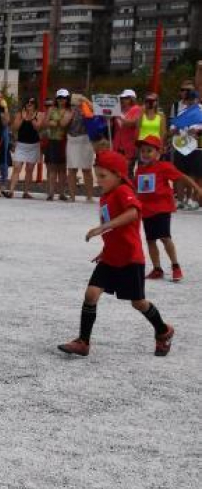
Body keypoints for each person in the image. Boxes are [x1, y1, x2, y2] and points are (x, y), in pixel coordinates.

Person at [58, 150, 174, 358]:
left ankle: (163, 331)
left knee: (138, 303)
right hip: (111, 257)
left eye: (103, 176)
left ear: (119, 175)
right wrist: (104, 250)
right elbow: (114, 231)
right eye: (97, 175)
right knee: (91, 294)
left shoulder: (122, 191)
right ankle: (83, 342)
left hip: (130, 258)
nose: (99, 180)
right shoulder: (106, 196)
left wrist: (102, 228)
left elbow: (133, 213)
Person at [134, 135, 202, 283]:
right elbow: (137, 189)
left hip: (162, 209)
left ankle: (175, 266)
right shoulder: (139, 170)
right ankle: (157, 269)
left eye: (149, 151)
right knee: (150, 240)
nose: (145, 154)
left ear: (158, 153)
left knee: (165, 238)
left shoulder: (164, 167)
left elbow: (182, 177)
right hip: (146, 210)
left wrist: (197, 187)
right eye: (143, 151)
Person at [168, 80, 201, 209]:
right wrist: (173, 130)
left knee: (194, 173)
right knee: (179, 173)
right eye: (189, 98)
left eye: (193, 98)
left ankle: (191, 199)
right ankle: (180, 200)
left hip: (195, 145)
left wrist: (198, 131)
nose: (191, 100)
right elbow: (172, 124)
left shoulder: (200, 110)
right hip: (180, 144)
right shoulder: (179, 109)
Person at [4, 97, 42, 199]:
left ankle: (26, 192)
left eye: (32, 103)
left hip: (34, 145)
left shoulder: (39, 114)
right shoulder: (20, 114)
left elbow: (38, 127)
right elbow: (14, 128)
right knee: (17, 167)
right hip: (21, 144)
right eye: (28, 102)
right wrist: (23, 117)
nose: (29, 104)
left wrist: (30, 117)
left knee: (29, 169)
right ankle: (11, 191)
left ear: (35, 104)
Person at [63, 94, 96, 202]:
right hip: (72, 139)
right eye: (73, 103)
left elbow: (97, 110)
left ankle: (89, 196)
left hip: (85, 139)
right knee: (72, 169)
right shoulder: (68, 110)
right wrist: (70, 113)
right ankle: (72, 196)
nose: (74, 105)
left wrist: (85, 101)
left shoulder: (87, 108)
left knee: (86, 168)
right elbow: (63, 124)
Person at [44, 89, 71, 201]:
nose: (61, 100)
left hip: (63, 141)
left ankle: (62, 193)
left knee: (62, 168)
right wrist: (55, 122)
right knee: (51, 168)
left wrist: (53, 122)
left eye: (64, 98)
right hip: (52, 140)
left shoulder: (69, 111)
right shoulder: (51, 109)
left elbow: (64, 123)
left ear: (67, 99)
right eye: (59, 98)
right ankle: (50, 192)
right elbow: (45, 122)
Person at [113, 88, 142, 178]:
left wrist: (118, 115)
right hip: (118, 144)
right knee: (118, 169)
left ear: (131, 99)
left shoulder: (137, 109)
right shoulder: (118, 110)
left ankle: (129, 189)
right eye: (122, 98)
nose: (123, 100)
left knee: (128, 169)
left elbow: (131, 123)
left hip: (130, 144)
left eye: (126, 98)